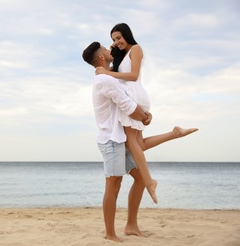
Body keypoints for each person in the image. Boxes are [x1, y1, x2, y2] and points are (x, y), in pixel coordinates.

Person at [82, 41, 198, 242]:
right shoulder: (105, 80)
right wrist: (144, 117)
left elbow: (131, 99)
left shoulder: (110, 77)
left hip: (121, 138)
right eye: (106, 49)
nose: (111, 50)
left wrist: (145, 114)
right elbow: (128, 105)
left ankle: (131, 225)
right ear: (101, 57)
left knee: (139, 179)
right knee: (113, 184)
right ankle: (110, 233)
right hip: (111, 140)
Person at [96, 23, 198, 204]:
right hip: (132, 95)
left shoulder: (136, 48)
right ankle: (175, 133)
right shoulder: (120, 57)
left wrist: (108, 73)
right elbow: (106, 72)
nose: (116, 41)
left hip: (133, 94)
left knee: (131, 142)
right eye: (113, 39)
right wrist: (111, 56)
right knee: (139, 144)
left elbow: (134, 75)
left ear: (127, 35)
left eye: (119, 37)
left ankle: (149, 181)